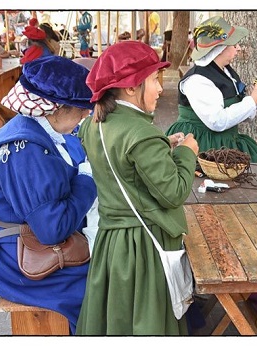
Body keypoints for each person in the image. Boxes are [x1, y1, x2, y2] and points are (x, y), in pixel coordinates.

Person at [75, 41, 199, 335]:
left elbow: (117, 160)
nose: (159, 89)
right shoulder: (141, 133)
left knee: (118, 324)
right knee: (148, 325)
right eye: (155, 80)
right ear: (131, 87)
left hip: (112, 244)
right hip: (142, 249)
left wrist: (162, 146)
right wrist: (187, 152)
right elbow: (175, 192)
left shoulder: (94, 123)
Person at [0, 55, 97, 335]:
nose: (85, 114)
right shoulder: (24, 148)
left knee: (114, 264)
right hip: (10, 255)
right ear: (54, 108)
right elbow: (52, 228)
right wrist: (88, 180)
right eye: (80, 109)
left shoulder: (43, 129)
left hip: (28, 239)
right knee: (102, 283)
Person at [165, 16, 257, 187]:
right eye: (234, 45)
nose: (238, 48)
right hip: (202, 144)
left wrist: (252, 101)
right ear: (219, 48)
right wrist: (251, 102)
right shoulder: (197, 80)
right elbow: (217, 121)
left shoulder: (226, 72)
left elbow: (238, 114)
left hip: (227, 140)